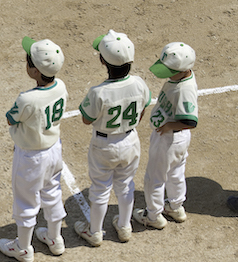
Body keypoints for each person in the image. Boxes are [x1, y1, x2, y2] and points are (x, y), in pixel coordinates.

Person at [74, 30, 151, 246]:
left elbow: (86, 119)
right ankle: (125, 227)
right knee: (126, 184)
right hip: (130, 140)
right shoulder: (139, 83)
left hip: (104, 144)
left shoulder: (98, 92)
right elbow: (143, 108)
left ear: (102, 61)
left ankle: (95, 232)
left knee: (100, 188)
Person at [0, 37, 68, 262]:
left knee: (26, 201)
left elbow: (11, 119)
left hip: (31, 156)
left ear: (35, 71)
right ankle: (55, 238)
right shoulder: (61, 86)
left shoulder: (27, 98)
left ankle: (23, 248)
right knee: (52, 192)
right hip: (54, 150)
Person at [133, 42, 198, 228]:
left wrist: (170, 125)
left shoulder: (184, 89)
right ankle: (175, 207)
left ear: (183, 69)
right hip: (177, 140)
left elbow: (191, 121)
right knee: (176, 172)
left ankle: (153, 216)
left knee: (154, 177)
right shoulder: (181, 78)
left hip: (169, 139)